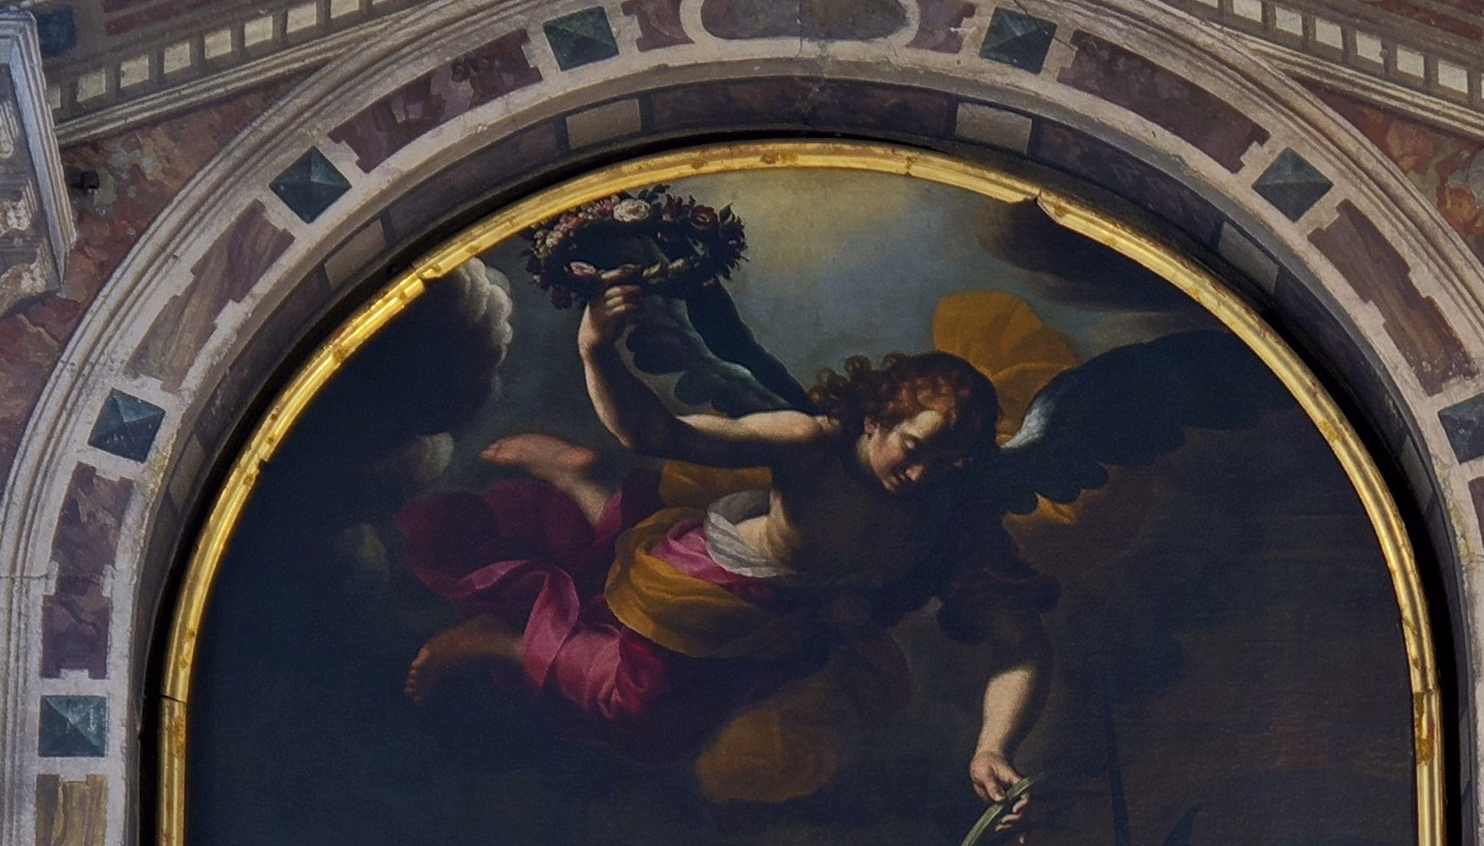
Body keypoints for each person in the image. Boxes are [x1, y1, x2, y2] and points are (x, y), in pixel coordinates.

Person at [397, 274, 1056, 804]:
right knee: (636, 711)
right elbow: (657, 435)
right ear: (879, 418)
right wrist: (595, 348)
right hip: (712, 581)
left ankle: (580, 482)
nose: (921, 475)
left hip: (790, 627)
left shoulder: (950, 518)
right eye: (914, 449)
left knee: (665, 704)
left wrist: (993, 744)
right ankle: (498, 639)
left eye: (947, 463)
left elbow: (1019, 640)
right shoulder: (813, 446)